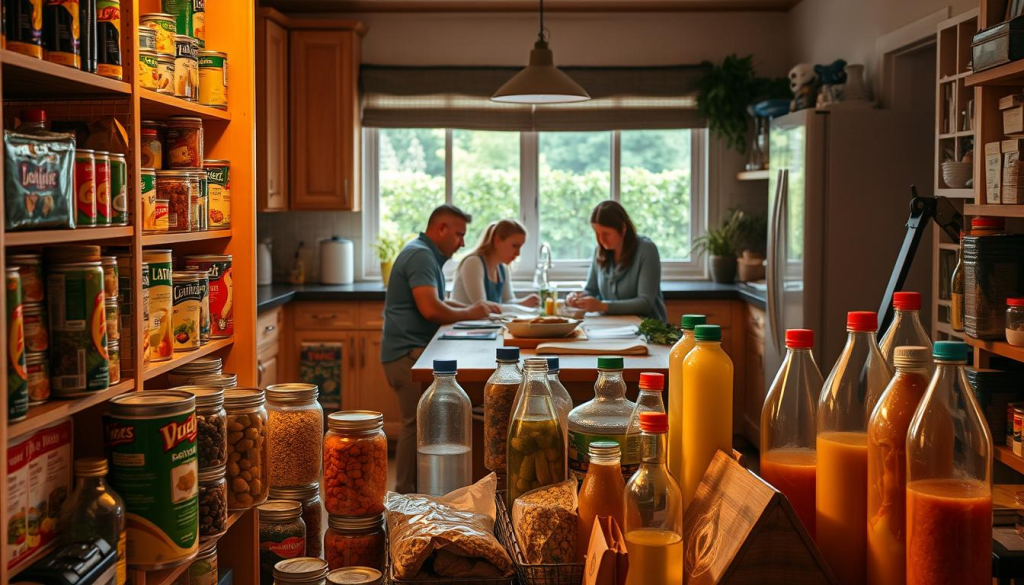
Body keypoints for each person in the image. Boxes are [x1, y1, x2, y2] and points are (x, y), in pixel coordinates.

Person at [381, 204, 500, 493]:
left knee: (418, 424)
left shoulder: (425, 254)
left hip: (409, 352)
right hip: (405, 356)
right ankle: (406, 497)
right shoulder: (421, 255)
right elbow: (432, 309)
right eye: (459, 234)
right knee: (414, 425)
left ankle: (418, 494)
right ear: (441, 229)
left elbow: (442, 302)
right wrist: (472, 313)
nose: (462, 243)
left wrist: (475, 309)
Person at [566, 200, 667, 321]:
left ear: (623, 228)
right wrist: (578, 298)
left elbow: (644, 303)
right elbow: (591, 290)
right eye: (596, 233)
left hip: (647, 329)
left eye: (606, 234)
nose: (600, 239)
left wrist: (602, 306)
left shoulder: (647, 250)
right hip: (613, 326)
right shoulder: (598, 252)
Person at [450, 219, 541, 308]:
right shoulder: (473, 263)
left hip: (485, 322)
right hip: (462, 323)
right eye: (514, 246)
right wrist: (520, 305)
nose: (518, 254)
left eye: (520, 247)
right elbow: (483, 306)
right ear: (497, 240)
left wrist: (524, 302)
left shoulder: (503, 269)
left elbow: (507, 301)